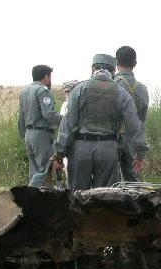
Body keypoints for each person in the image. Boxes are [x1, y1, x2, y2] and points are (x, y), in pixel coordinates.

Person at [54, 54, 146, 191]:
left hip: (80, 149)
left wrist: (59, 153)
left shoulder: (79, 89)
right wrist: (139, 153)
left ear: (92, 69)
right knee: (104, 199)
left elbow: (68, 123)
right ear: (113, 70)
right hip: (108, 150)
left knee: (77, 197)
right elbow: (134, 125)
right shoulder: (122, 92)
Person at [18, 65, 62, 187]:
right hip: (41, 135)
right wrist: (65, 122)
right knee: (44, 169)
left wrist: (24, 135)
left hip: (29, 134)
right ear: (46, 76)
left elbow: (21, 117)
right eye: (50, 76)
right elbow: (49, 114)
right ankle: (29, 195)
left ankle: (39, 201)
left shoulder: (25, 91)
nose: (50, 80)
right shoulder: (42, 91)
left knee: (34, 171)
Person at [114, 46, 149, 181]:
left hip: (112, 138)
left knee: (111, 181)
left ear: (116, 64)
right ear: (135, 64)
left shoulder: (112, 85)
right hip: (133, 139)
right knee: (133, 182)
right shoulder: (142, 89)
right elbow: (142, 119)